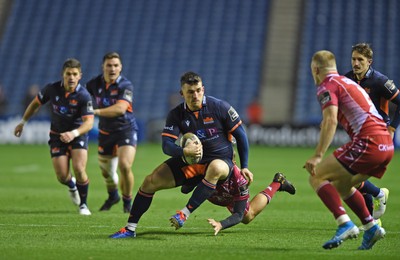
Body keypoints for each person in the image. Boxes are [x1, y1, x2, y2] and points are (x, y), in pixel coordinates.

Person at [109, 71, 253, 238]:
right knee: (150, 181)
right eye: (190, 92)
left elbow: (241, 135)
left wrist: (245, 166)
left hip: (222, 162)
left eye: (198, 90)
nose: (195, 95)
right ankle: (129, 229)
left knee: (215, 167)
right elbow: (166, 146)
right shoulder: (176, 115)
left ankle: (184, 213)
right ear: (182, 93)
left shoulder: (220, 107)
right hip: (193, 162)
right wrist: (184, 151)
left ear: (203, 89)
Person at [304, 50, 393, 250]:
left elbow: (330, 120)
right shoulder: (349, 82)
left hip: (369, 141)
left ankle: (344, 224)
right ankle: (371, 227)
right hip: (386, 145)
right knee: (342, 185)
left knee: (317, 175)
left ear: (316, 69)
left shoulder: (327, 85)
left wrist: (318, 155)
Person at [14, 58, 94, 215]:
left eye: (74, 74)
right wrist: (23, 122)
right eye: (68, 74)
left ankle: (83, 205)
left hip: (77, 135)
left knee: (79, 168)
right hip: (57, 135)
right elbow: (35, 103)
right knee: (62, 176)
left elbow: (89, 123)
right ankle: (71, 185)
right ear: (63, 75)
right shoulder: (52, 89)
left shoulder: (84, 96)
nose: (71, 77)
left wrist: (74, 133)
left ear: (80, 76)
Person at [344, 43, 399, 223]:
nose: (356, 63)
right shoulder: (347, 79)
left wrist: (392, 128)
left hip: (378, 136)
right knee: (353, 178)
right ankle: (372, 220)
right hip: (358, 135)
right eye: (354, 59)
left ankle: (379, 195)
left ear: (369, 62)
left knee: (350, 177)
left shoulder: (380, 81)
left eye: (360, 60)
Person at [86, 52, 139, 213]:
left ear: (120, 67)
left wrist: (95, 112)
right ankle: (113, 195)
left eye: (116, 65)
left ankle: (127, 202)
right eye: (109, 65)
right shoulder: (93, 84)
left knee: (124, 165)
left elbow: (120, 108)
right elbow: (83, 100)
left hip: (126, 130)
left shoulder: (126, 86)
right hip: (105, 131)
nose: (112, 68)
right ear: (103, 66)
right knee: (106, 171)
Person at [206, 165, 295, 235]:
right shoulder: (203, 170)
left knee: (247, 216)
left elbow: (239, 215)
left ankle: (278, 182)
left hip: (229, 192)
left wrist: (221, 224)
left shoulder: (238, 181)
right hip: (219, 188)